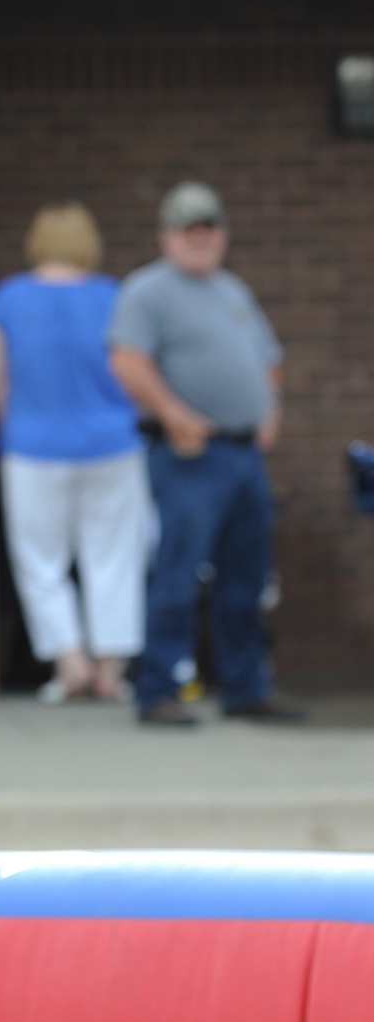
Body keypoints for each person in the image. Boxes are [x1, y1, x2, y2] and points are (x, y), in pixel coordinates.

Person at [109, 181, 302, 726]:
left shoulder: (232, 291)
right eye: (189, 230)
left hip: (244, 456)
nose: (201, 239)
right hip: (189, 457)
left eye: (209, 228)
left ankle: (246, 685)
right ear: (167, 236)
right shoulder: (148, 292)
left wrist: (271, 408)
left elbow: (269, 357)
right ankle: (159, 688)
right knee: (179, 571)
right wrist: (174, 415)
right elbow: (127, 362)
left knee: (248, 573)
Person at [0, 202, 151, 704]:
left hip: (32, 445)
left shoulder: (7, 299)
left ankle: (69, 662)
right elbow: (131, 366)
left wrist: (10, 426)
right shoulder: (115, 296)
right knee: (115, 556)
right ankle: (110, 669)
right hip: (113, 443)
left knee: (39, 560)